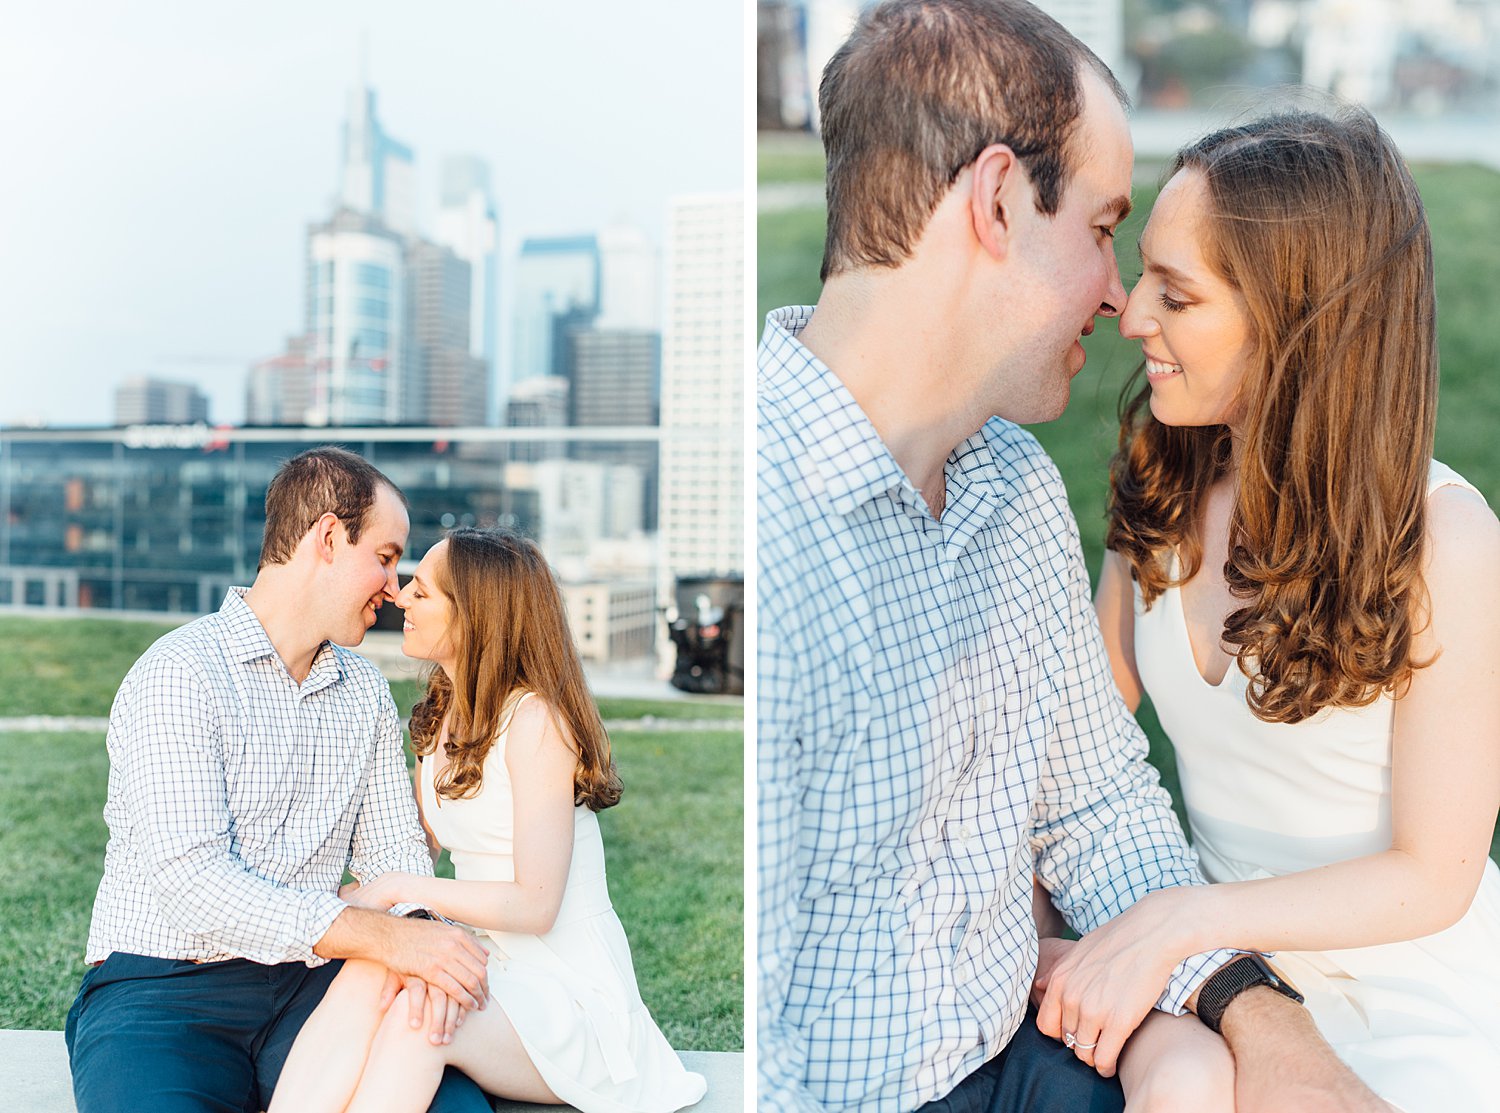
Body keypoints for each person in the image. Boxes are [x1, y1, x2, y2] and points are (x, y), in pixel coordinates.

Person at [757, 2, 1395, 1110]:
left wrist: (1266, 1031)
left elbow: (1096, 810)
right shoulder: (766, 529)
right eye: (1104, 230)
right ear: (997, 201)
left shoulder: (1013, 488)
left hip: (1031, 1059)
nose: (1117, 293)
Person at [1032, 109, 1500, 1113]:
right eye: (1144, 272)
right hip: (1212, 970)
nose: (1134, 315)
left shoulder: (1446, 540)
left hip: (1403, 992)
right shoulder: (1161, 479)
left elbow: (1434, 877)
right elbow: (1072, 747)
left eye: (1179, 294)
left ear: (1296, 322)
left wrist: (1178, 920)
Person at [65, 446, 496, 1113]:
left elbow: (395, 855)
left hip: (315, 984)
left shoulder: (365, 693)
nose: (392, 587)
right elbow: (195, 884)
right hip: (161, 993)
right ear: (328, 537)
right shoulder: (179, 672)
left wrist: (422, 942)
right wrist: (386, 936)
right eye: (384, 557)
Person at [268, 528, 707, 1113]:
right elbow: (410, 852)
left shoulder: (536, 721)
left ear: (476, 616)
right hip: (487, 957)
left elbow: (536, 905)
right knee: (373, 969)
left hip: (565, 989)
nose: (400, 598)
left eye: (422, 593)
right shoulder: (440, 715)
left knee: (421, 1020)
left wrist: (400, 890)